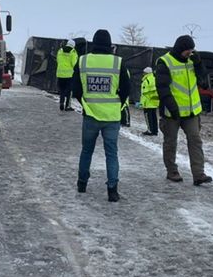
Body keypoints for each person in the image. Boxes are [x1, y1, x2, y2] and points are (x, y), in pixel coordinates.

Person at [72, 29, 130, 202]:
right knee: (111, 154)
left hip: (90, 115)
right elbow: (127, 89)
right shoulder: (118, 62)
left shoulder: (83, 61)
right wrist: (118, 104)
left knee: (86, 151)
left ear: (94, 43)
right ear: (109, 44)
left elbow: (75, 89)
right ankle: (112, 190)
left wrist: (85, 104)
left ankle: (82, 183)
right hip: (112, 117)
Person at [156, 35, 212, 185]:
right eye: (188, 50)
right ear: (180, 49)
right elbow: (162, 88)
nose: (190, 53)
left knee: (195, 141)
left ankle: (199, 174)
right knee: (170, 143)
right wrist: (172, 108)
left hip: (192, 112)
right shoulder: (165, 62)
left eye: (192, 50)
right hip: (172, 113)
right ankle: (172, 171)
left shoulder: (193, 61)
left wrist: (199, 64)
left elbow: (204, 83)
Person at [55, 39, 78, 111]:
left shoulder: (60, 50)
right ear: (73, 45)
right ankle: (67, 106)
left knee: (62, 90)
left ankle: (61, 102)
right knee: (69, 91)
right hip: (69, 75)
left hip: (60, 74)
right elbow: (74, 63)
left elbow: (58, 60)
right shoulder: (73, 52)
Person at [140, 67, 159, 135]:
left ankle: (150, 130)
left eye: (144, 72)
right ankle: (155, 130)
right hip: (153, 101)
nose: (143, 73)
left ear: (146, 73)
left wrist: (143, 102)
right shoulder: (154, 78)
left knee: (148, 117)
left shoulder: (147, 80)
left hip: (148, 102)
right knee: (154, 117)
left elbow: (145, 92)